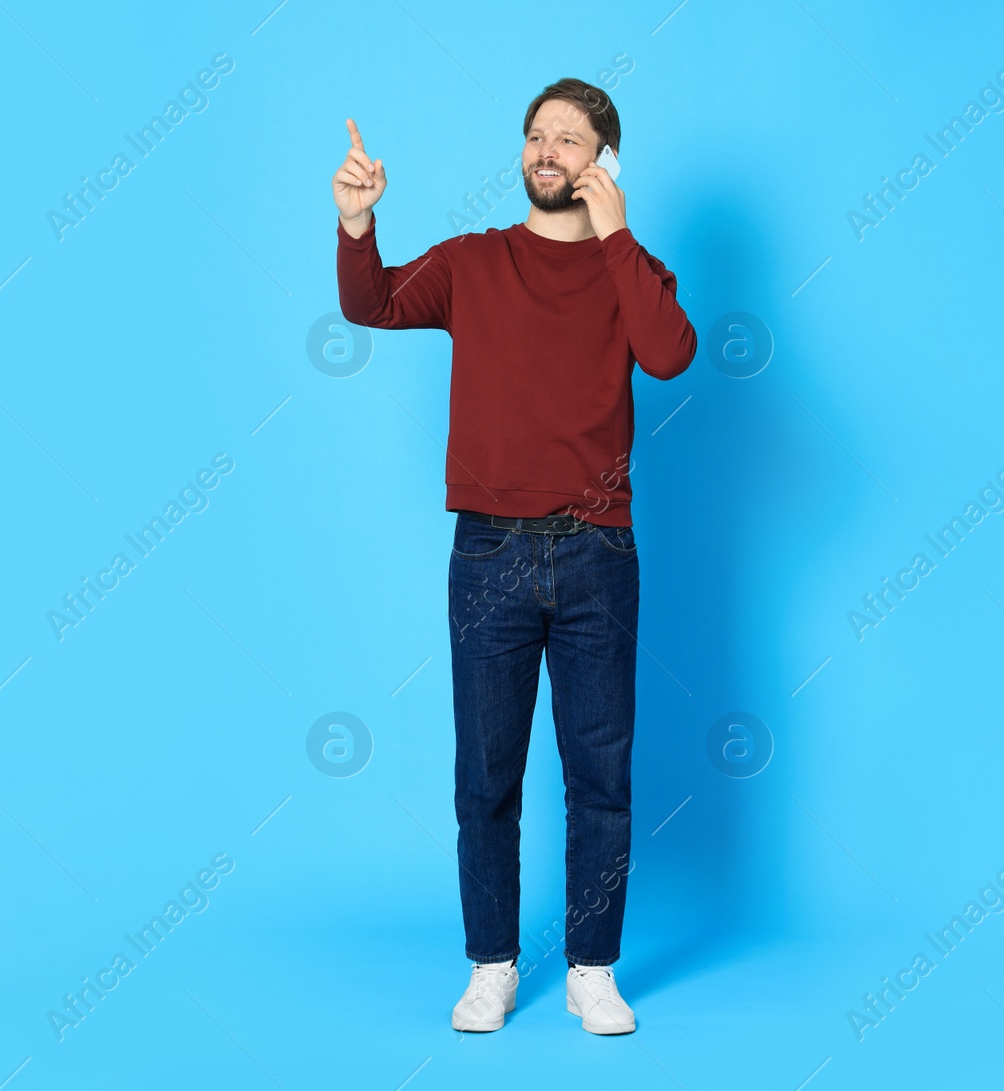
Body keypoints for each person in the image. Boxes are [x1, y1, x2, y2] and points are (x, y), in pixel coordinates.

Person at [332, 77, 696, 1035]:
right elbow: (371, 305)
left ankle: (592, 967)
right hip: (488, 555)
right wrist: (358, 224)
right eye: (537, 136)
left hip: (597, 557)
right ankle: (492, 962)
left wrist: (618, 238)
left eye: (570, 140)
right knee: (486, 776)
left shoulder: (632, 270)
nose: (547, 152)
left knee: (600, 777)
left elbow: (669, 355)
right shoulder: (472, 262)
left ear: (604, 162)